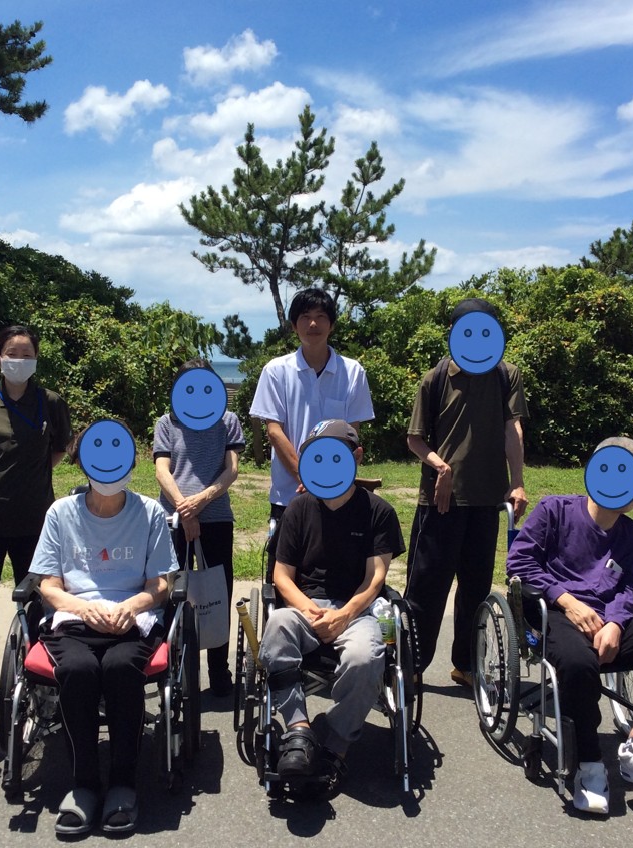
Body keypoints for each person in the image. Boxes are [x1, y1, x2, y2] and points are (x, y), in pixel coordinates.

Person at [506, 437, 633, 816]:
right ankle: (589, 765)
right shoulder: (554, 511)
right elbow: (520, 563)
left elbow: (628, 588)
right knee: (578, 663)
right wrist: (567, 600)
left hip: (607, 622)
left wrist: (615, 624)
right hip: (554, 612)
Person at [30, 419, 178, 836]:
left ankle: (123, 783)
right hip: (75, 620)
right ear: (83, 461)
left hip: (133, 620)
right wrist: (84, 608)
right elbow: (48, 586)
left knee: (119, 668)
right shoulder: (61, 513)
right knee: (78, 670)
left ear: (132, 461)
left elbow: (161, 585)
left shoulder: (150, 513)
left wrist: (131, 605)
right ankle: (84, 784)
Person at [258, 420, 404, 788]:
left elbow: (375, 579)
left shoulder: (378, 512)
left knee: (365, 657)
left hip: (357, 609)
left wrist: (343, 615)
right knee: (276, 627)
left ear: (357, 456)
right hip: (305, 605)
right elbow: (281, 576)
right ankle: (299, 730)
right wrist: (311, 611)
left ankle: (335, 743)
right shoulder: (298, 509)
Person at [404, 297, 528, 685]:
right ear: (453, 334)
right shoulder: (436, 378)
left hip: (487, 499)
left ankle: (467, 664)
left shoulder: (506, 374)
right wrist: (440, 466)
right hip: (440, 501)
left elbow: (512, 429)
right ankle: (410, 667)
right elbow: (414, 440)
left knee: (476, 589)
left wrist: (517, 481)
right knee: (427, 588)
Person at [0, 325, 71, 698]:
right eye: (12, 354)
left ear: (36, 359)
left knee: (39, 600)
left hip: (35, 521)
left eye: (26, 355)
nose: (19, 361)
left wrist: (32, 473)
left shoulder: (50, 402)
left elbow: (59, 447)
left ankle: (38, 674)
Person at [249, 288, 374, 567]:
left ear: (332, 324)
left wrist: (324, 477)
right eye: (305, 317)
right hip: (288, 493)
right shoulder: (276, 371)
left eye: (321, 316)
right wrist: (305, 475)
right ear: (294, 325)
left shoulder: (353, 372)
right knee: (284, 571)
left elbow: (352, 433)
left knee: (336, 572)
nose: (313, 324)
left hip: (338, 492)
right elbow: (274, 431)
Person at [154, 358, 245, 696]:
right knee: (171, 594)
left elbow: (231, 470)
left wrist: (201, 500)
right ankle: (172, 668)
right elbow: (162, 470)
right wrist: (185, 508)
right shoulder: (167, 422)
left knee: (217, 595)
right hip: (173, 519)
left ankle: (219, 672)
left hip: (217, 517)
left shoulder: (227, 420)